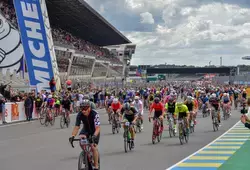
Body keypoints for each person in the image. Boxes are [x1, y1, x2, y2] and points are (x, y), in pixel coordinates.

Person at [69, 100, 100, 170]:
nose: (83, 111)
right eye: (82, 109)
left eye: (85, 109)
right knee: (81, 139)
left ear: (89, 108)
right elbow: (77, 127)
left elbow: (98, 128)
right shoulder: (80, 114)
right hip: (86, 130)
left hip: (94, 130)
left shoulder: (95, 114)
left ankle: (96, 166)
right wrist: (73, 136)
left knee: (93, 147)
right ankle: (86, 154)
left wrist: (94, 136)